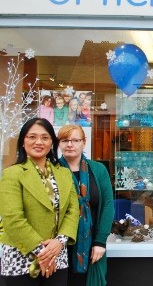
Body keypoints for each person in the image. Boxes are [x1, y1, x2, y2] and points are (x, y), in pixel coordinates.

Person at [0, 118, 79, 286]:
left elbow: (73, 211)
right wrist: (43, 253)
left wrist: (59, 242)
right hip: (20, 256)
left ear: (52, 143)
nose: (38, 142)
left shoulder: (64, 173)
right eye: (32, 137)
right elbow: (12, 219)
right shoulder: (12, 174)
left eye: (45, 137)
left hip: (58, 253)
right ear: (22, 142)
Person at [57, 124, 114, 286]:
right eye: (65, 140)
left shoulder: (98, 169)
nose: (70, 144)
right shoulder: (52, 169)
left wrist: (100, 241)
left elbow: (108, 205)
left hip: (92, 244)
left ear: (84, 142)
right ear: (59, 143)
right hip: (60, 245)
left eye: (75, 140)